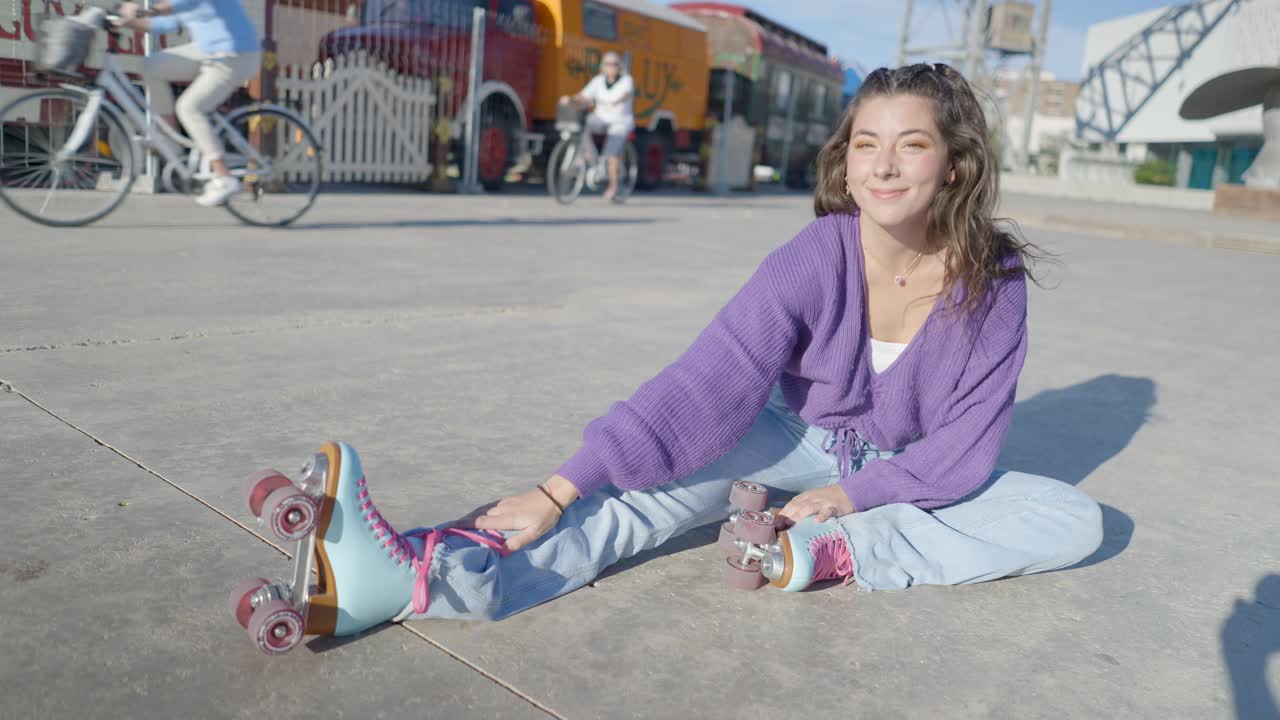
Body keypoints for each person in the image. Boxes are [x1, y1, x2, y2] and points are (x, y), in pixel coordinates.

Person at [273, 64, 1105, 633]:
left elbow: (963, 451)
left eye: (912, 144)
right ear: (845, 160)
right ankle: (416, 579)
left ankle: (822, 556)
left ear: (954, 165)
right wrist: (558, 488)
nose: (883, 165)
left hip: (894, 478)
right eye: (865, 143)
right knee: (634, 503)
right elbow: (708, 381)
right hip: (789, 434)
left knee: (1071, 519)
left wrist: (852, 504)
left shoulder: (991, 283)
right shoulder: (816, 257)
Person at [117, 0, 260, 207]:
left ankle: (224, 177)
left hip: (234, 53)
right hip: (207, 50)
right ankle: (169, 139)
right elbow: (163, 24)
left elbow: (177, 5)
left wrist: (140, 10)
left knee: (189, 107)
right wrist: (126, 23)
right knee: (152, 65)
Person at [559, 51, 634, 201]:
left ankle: (613, 186)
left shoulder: (626, 80)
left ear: (619, 67)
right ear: (603, 67)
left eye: (614, 64)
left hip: (620, 121)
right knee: (583, 126)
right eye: (607, 64)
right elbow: (585, 95)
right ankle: (588, 155)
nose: (611, 67)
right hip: (600, 117)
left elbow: (626, 94)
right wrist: (571, 99)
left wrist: (616, 101)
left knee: (611, 155)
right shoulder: (598, 81)